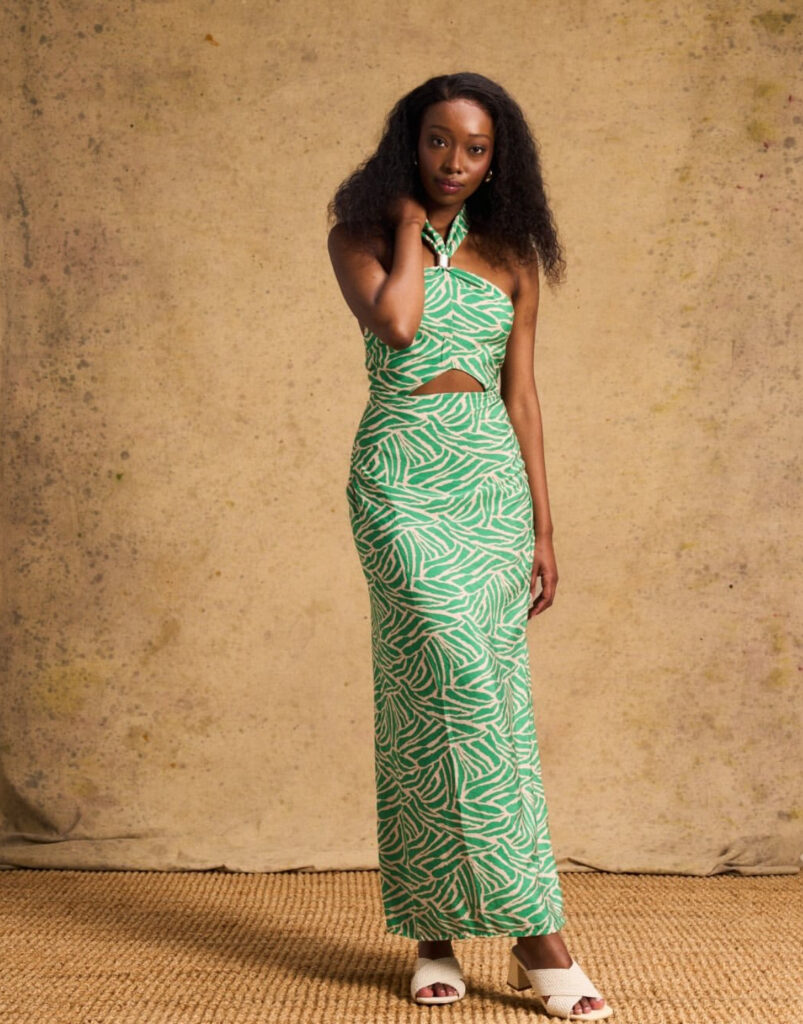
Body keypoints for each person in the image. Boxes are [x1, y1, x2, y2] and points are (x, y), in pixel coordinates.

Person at [326, 72, 613, 1021]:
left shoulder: (512, 257)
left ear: (498, 161)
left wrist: (543, 527)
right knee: (446, 675)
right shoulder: (360, 237)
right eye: (439, 141)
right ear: (409, 145)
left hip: (487, 487)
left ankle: (433, 936)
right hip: (399, 477)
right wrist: (410, 225)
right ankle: (537, 934)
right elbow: (398, 323)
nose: (455, 161)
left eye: (476, 148)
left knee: (469, 697)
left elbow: (520, 396)